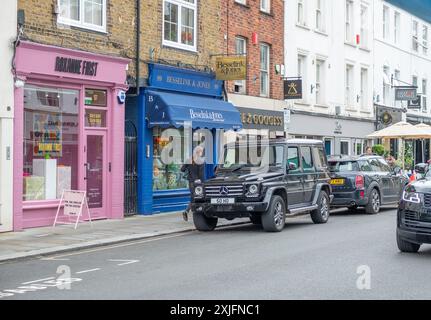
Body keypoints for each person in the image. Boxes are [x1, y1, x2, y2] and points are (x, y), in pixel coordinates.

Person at [181, 146, 205, 221]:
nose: (202, 153)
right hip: (198, 183)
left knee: (193, 197)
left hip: (191, 181)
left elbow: (182, 169)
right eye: (201, 152)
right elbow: (201, 174)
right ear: (199, 152)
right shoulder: (200, 161)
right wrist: (203, 182)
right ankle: (190, 212)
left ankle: (188, 211)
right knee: (197, 198)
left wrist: (189, 171)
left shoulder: (189, 159)